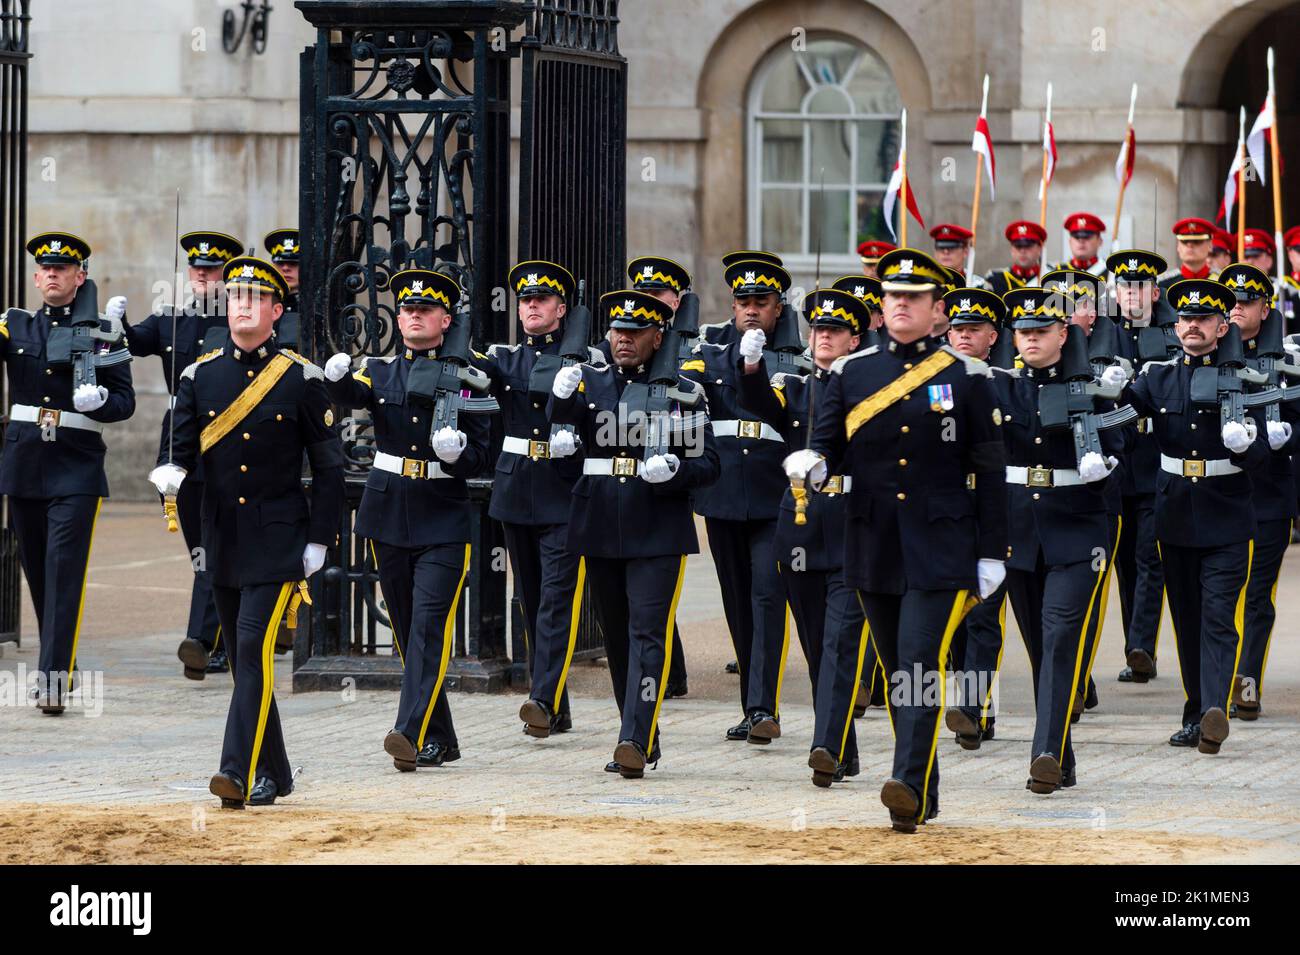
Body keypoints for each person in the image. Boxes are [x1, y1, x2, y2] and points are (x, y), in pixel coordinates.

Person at [786, 248, 1008, 832]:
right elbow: (827, 447)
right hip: (872, 541)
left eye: (914, 296)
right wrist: (812, 463)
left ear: (937, 308)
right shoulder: (852, 373)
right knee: (894, 669)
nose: (902, 304)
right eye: (893, 296)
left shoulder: (966, 376)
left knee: (918, 661)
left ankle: (905, 780)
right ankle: (924, 791)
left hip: (941, 546)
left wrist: (992, 552)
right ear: (881, 307)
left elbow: (988, 469)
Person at [150, 255, 344, 807]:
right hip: (221, 539)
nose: (243, 306)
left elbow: (329, 469)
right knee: (242, 660)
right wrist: (168, 471)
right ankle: (276, 772)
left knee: (255, 647)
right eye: (236, 297)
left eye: (256, 298)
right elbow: (179, 450)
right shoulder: (199, 375)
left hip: (279, 538)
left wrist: (318, 540)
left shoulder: (301, 378)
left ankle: (235, 772)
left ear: (276, 311)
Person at [547, 290, 719, 777]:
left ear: (657, 336)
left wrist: (676, 472)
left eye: (636, 332)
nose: (624, 340)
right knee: (618, 639)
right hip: (600, 521)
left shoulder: (683, 390)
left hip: (656, 526)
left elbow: (709, 464)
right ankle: (639, 730)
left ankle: (635, 738)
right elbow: (564, 441)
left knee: (648, 633)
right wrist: (560, 407)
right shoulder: (591, 385)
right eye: (618, 331)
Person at [324, 269, 490, 771]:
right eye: (408, 310)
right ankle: (441, 738)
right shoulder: (381, 370)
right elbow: (353, 396)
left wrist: (459, 453)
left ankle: (407, 729)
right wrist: (335, 381)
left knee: (427, 629)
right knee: (404, 628)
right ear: (398, 319)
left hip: (443, 513)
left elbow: (484, 453)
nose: (415, 316)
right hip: (388, 509)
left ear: (445, 318)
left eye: (425, 310)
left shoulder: (471, 372)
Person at [1100, 278, 1271, 754]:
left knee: (1218, 615)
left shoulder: (1245, 378)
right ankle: (1196, 712)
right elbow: (1120, 429)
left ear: (1221, 327)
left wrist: (1250, 444)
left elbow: (1262, 454)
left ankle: (1214, 708)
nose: (1192, 327)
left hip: (1228, 513)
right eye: (1185, 320)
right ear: (1175, 327)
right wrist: (1105, 396)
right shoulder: (1157, 377)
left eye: (1203, 320)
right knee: (1188, 618)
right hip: (1173, 512)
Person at [737, 287, 874, 786]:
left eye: (834, 331)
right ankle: (845, 751)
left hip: (853, 527)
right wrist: (749, 368)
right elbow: (759, 407)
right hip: (800, 527)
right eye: (817, 330)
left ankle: (825, 745)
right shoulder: (795, 388)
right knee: (817, 646)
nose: (822, 338)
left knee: (840, 643)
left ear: (854, 339)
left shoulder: (869, 391)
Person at [995, 291, 1124, 792]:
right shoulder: (998, 389)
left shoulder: (1094, 387)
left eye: (1040, 331)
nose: (1030, 339)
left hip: (1077, 530)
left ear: (1062, 334)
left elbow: (1122, 449)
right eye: (1023, 332)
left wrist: (1103, 467)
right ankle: (1061, 756)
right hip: (1018, 534)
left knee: (1059, 636)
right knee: (1039, 648)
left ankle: (1044, 750)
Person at [1, 231, 135, 714]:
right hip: (24, 463)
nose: (53, 274)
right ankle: (64, 661)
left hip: (75, 466)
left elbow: (125, 403)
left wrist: (100, 403)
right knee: (38, 573)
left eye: (63, 267)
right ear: (36, 278)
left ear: (81, 277)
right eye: (46, 268)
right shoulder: (14, 326)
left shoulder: (103, 329)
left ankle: (53, 679)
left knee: (64, 572)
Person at [481, 261, 605, 742]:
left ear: (561, 309)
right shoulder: (504, 357)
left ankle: (542, 697)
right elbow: (471, 379)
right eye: (525, 300)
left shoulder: (587, 360)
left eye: (541, 300)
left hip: (565, 490)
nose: (530, 306)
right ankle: (558, 709)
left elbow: (604, 413)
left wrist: (577, 436)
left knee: (557, 599)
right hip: (517, 491)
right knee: (531, 601)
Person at [680, 254, 794, 743]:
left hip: (776, 494)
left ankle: (764, 705)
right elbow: (687, 399)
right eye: (743, 301)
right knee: (737, 603)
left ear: (777, 306)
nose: (751, 310)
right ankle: (751, 702)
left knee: (768, 597)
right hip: (724, 491)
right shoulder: (710, 348)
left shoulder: (795, 353)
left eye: (761, 302)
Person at [125, 229, 243, 680]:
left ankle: (205, 638)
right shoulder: (171, 319)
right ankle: (218, 638)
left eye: (211, 268)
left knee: (215, 544)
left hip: (228, 440)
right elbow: (133, 342)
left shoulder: (239, 321)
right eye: (196, 268)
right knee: (200, 544)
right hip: (179, 443)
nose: (202, 274)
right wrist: (112, 326)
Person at [1222, 262, 1299, 719]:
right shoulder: (1208, 353)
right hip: (1220, 492)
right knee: (1220, 592)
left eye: (1246, 303)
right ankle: (1216, 680)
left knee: (1257, 593)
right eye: (1230, 302)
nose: (1236, 310)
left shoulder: (1288, 359)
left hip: (1269, 491)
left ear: (1265, 308)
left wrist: (1290, 433)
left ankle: (1247, 681)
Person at [621, 254, 694, 698]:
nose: (649, 301)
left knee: (655, 596)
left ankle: (666, 675)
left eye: (658, 294)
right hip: (625, 492)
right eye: (642, 293)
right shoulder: (617, 356)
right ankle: (668, 674)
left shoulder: (693, 347)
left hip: (675, 471)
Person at [942, 286, 1009, 749]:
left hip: (989, 509)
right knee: (951, 619)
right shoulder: (937, 383)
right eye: (958, 329)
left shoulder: (1006, 383)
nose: (965, 337)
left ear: (992, 336)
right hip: (945, 512)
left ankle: (975, 706)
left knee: (984, 616)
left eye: (975, 330)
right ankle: (970, 703)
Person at [1106, 249, 1174, 683]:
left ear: (1154, 291)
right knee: (1124, 561)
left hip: (1153, 461)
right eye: (1125, 286)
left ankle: (1140, 646)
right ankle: (1136, 645)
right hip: (1116, 463)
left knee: (1150, 556)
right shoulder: (1104, 334)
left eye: (1140, 287)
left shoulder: (1172, 331)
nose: (1133, 294)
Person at [985, 220, 1047, 295]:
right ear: (1011, 249)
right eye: (1018, 246)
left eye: (1028, 246)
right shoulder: (995, 279)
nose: (1023, 251)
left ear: (1040, 248)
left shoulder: (1049, 279)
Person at [930, 224, 989, 290]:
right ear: (935, 251)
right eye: (941, 247)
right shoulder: (925, 282)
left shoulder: (979, 285)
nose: (946, 252)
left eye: (952, 247)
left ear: (965, 252)